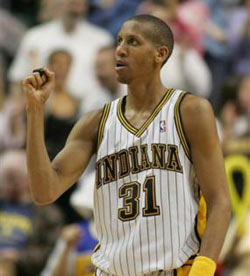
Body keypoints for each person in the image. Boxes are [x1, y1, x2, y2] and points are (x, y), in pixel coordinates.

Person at [21, 14, 231, 276]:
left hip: (171, 270)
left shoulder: (190, 111)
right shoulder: (95, 122)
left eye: (133, 42)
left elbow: (220, 199)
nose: (119, 50)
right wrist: (35, 110)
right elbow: (44, 191)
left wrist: (204, 267)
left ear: (160, 54)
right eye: (119, 41)